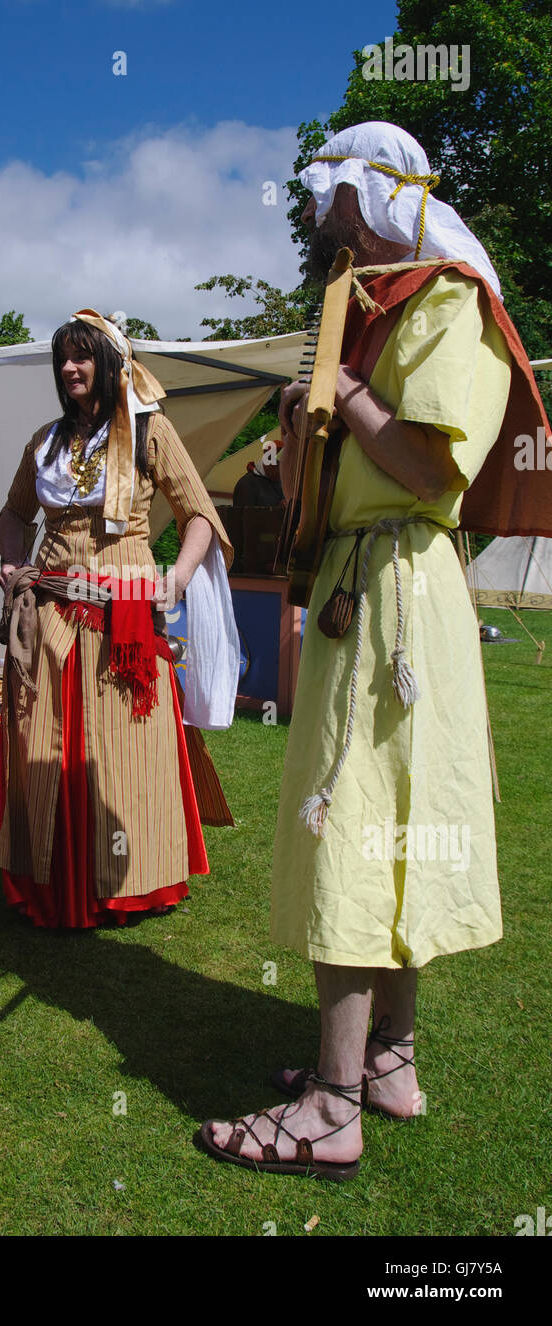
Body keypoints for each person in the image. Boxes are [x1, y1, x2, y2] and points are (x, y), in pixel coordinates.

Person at [202, 122, 552, 1178]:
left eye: (336, 206)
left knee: (348, 822)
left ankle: (329, 1104)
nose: (326, 228)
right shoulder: (381, 310)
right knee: (386, 822)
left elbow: (424, 467)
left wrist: (339, 397)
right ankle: (385, 1060)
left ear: (376, 197)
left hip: (396, 582)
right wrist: (305, 420)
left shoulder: (450, 304)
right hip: (378, 577)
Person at [0, 308, 240, 928]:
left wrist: (176, 579)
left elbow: (199, 515)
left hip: (122, 615)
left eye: (81, 357)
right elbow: (12, 515)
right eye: (62, 360)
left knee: (121, 751)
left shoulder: (150, 431)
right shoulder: (44, 442)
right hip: (50, 613)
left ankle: (128, 881)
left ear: (109, 363)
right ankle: (54, 879)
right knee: (47, 745)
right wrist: (9, 558)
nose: (70, 369)